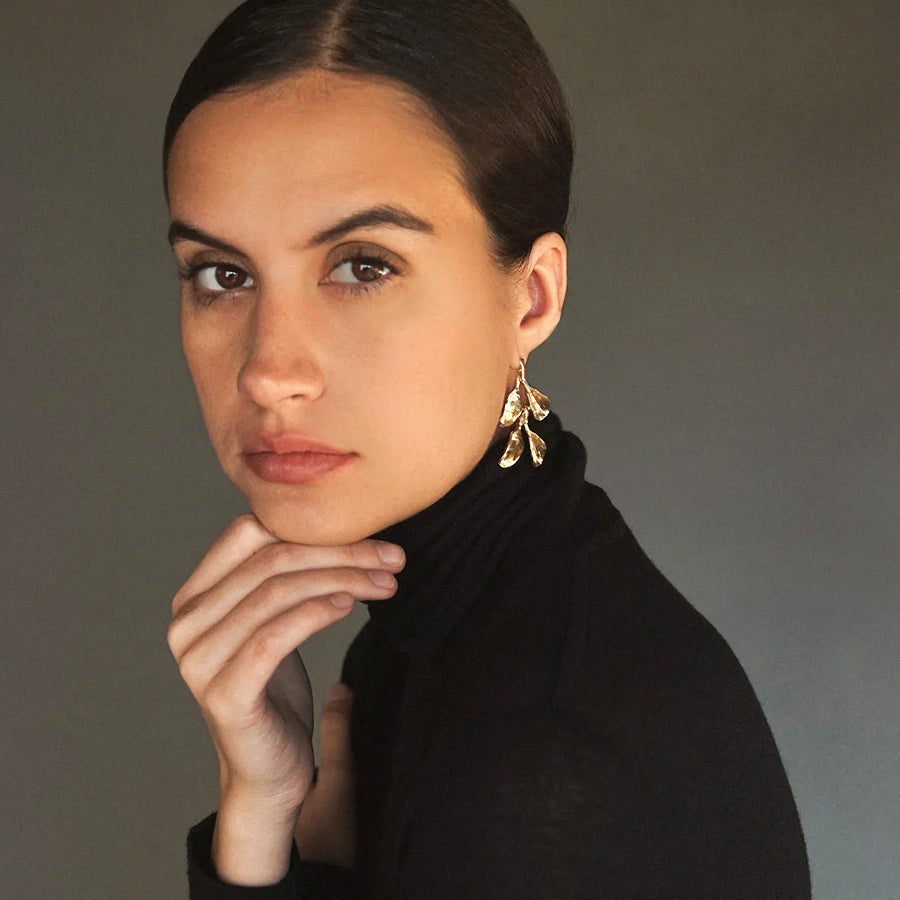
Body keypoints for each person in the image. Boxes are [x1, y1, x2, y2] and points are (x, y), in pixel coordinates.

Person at [162, 1, 811, 896]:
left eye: (363, 265)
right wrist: (258, 812)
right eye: (222, 276)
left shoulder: (538, 769)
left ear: (533, 298)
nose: (270, 372)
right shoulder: (443, 624)